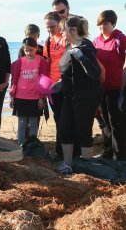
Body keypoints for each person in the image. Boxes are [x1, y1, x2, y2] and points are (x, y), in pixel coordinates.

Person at [56, 16, 103, 174]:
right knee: (64, 130)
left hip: (86, 97)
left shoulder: (86, 47)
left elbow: (95, 74)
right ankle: (67, 164)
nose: (61, 32)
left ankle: (87, 168)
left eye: (63, 30)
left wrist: (82, 57)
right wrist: (59, 84)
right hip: (70, 96)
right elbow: (67, 69)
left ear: (74, 30)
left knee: (83, 132)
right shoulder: (70, 46)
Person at [93, 10, 126, 161]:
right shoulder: (96, 41)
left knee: (116, 122)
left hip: (117, 88)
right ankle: (108, 151)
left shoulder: (120, 38)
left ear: (113, 23)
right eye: (100, 24)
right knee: (106, 122)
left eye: (105, 24)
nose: (102, 27)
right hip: (101, 88)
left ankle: (120, 156)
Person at [10, 38, 49, 144]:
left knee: (33, 124)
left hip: (35, 98)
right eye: (26, 50)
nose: (28, 52)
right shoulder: (18, 62)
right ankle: (21, 146)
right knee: (21, 124)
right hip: (21, 97)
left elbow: (44, 81)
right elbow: (14, 80)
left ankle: (32, 146)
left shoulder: (41, 62)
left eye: (31, 50)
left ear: (36, 48)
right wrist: (12, 96)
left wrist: (42, 98)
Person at [43, 11, 67, 158]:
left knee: (67, 118)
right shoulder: (48, 40)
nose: (50, 30)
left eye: (52, 26)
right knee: (58, 118)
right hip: (53, 86)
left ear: (59, 23)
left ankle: (69, 151)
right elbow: (47, 62)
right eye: (47, 27)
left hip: (65, 84)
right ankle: (59, 151)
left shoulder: (66, 38)